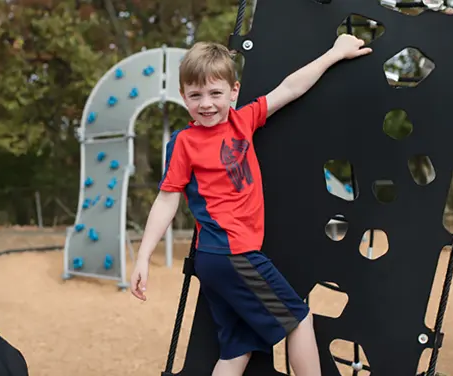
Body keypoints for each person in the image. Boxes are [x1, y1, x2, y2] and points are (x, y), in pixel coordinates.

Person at [130, 34, 371, 376]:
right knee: (299, 320)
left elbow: (290, 88)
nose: (206, 104)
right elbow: (167, 199)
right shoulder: (184, 142)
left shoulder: (241, 122)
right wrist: (143, 256)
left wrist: (335, 53)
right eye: (195, 95)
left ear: (234, 91)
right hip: (232, 255)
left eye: (215, 93)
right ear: (183, 97)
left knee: (237, 349)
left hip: (221, 260)